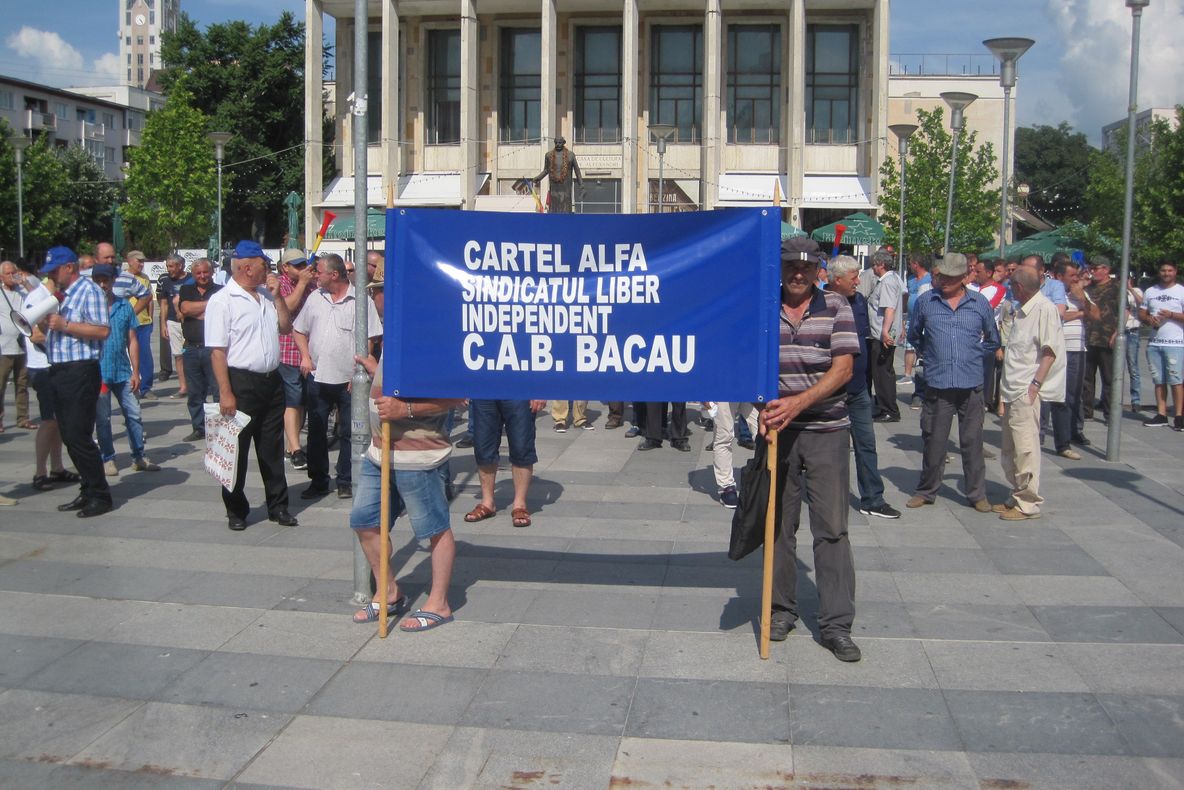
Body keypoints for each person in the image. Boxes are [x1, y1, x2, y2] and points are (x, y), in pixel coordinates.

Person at [763, 237, 860, 662]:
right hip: (777, 436)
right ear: (780, 268)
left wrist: (799, 402)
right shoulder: (763, 309)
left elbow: (844, 369)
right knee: (778, 528)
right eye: (789, 267)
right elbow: (747, 363)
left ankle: (836, 624)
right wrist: (761, 409)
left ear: (819, 269)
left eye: (805, 268)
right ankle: (781, 610)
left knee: (832, 529)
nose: (797, 274)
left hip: (826, 431)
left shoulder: (837, 307)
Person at [348, 296, 464, 629]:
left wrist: (405, 411)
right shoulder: (396, 333)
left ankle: (439, 602)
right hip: (380, 450)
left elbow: (457, 396)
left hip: (418, 454)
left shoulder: (432, 337)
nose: (376, 298)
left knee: (433, 527)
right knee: (364, 519)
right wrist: (376, 371)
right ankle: (388, 592)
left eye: (381, 291)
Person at [205, 241, 297, 530]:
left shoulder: (265, 296)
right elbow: (217, 351)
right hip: (240, 381)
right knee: (236, 449)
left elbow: (284, 327)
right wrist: (225, 391)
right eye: (263, 265)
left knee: (272, 447)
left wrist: (278, 296)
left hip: (271, 380)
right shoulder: (223, 301)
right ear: (246, 267)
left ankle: (278, 506)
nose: (267, 270)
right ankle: (236, 510)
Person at [905, 253, 1000, 512]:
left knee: (972, 442)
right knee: (934, 440)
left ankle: (977, 494)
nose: (943, 280)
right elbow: (915, 334)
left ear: (963, 278)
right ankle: (926, 490)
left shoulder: (979, 303)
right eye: (941, 275)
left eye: (949, 277)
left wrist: (974, 353)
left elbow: (993, 339)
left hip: (971, 383)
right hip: (938, 382)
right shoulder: (927, 301)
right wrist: (931, 353)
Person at [292, 253, 381, 499]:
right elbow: (298, 330)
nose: (315, 276)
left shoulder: (361, 300)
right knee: (317, 431)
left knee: (349, 432)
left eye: (319, 271)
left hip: (349, 380)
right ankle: (318, 480)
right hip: (318, 377)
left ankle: (345, 479)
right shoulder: (315, 298)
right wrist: (305, 358)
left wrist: (359, 372)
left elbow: (371, 338)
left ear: (333, 274)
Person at [39, 247, 113, 517]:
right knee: (69, 435)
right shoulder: (62, 295)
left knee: (79, 435)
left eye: (54, 270)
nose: (51, 276)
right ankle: (87, 489)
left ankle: (100, 494)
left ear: (69, 267)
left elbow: (103, 329)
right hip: (59, 369)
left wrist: (66, 325)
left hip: (80, 370)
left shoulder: (88, 290)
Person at [828, 255, 900, 519]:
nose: (859, 281)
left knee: (866, 444)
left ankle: (872, 499)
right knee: (828, 450)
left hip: (858, 389)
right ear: (837, 280)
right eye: (854, 277)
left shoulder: (859, 301)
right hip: (829, 392)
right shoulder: (819, 303)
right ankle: (825, 497)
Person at [996, 266, 1065, 521]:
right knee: (1010, 448)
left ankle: (1028, 503)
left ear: (1019, 287)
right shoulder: (1021, 310)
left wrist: (1035, 385)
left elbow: (1050, 351)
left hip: (1026, 390)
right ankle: (1016, 494)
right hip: (1012, 387)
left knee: (1026, 448)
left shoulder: (1043, 309)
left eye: (1012, 284)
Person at [91, 264, 160, 475]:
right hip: (99, 373)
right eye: (99, 280)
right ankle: (108, 458)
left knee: (134, 414)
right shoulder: (92, 307)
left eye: (106, 280)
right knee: (103, 419)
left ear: (113, 281)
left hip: (122, 371)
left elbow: (132, 340)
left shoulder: (124, 306)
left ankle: (139, 456)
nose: (103, 284)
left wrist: (135, 371)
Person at [20, 271, 79, 492]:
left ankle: (57, 467)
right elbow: (33, 334)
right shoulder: (38, 297)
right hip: (42, 367)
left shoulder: (54, 295)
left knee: (57, 420)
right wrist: (68, 339)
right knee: (48, 420)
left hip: (54, 365)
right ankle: (40, 472)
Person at [464, 398, 546, 528]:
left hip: (519, 389)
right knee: (483, 446)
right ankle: (487, 503)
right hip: (485, 389)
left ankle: (520, 505)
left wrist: (539, 392)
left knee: (521, 446)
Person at [276, 248, 318, 470]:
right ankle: (295, 448)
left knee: (303, 401)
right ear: (285, 267)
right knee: (292, 401)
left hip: (310, 352)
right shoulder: (278, 285)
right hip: (288, 352)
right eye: (297, 266)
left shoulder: (312, 283)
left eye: (304, 265)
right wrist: (302, 284)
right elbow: (287, 307)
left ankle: (293, 444)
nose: (303, 269)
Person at [177, 259, 223, 441]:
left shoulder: (220, 290)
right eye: (198, 273)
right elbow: (184, 308)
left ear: (211, 272)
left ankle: (221, 428)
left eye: (206, 272)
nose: (202, 276)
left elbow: (192, 310)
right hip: (191, 348)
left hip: (214, 349)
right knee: (195, 392)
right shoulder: (186, 290)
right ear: (193, 274)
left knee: (218, 390)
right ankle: (199, 427)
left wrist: (194, 310)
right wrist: (211, 306)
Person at [1139, 260, 1184, 430]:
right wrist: (1149, 319)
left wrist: (1171, 314)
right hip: (1155, 342)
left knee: (1176, 380)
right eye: (1163, 270)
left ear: (1175, 272)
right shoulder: (1150, 291)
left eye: (1170, 270)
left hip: (1176, 343)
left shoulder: (1181, 291)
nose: (1166, 273)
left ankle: (1179, 415)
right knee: (1158, 380)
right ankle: (1161, 413)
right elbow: (1142, 312)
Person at [866, 248, 903, 422]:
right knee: (882, 372)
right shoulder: (893, 279)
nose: (872, 268)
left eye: (874, 264)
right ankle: (884, 406)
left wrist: (885, 331)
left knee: (882, 374)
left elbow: (889, 308)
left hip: (883, 336)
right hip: (884, 333)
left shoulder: (887, 282)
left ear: (881, 265)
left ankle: (889, 409)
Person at [0, 260, 35, 431]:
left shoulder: (22, 292)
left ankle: (23, 418)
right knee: (0, 384)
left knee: (22, 384)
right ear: (1, 276)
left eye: (14, 272)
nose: (12, 276)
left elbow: (37, 299)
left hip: (22, 345)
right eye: (8, 273)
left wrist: (25, 282)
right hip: (3, 347)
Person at [1082, 256, 1118, 421]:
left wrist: (1118, 333)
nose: (1094, 271)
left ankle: (1110, 412)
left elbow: (1124, 312)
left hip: (1107, 337)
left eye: (1097, 268)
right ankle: (1086, 411)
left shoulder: (1116, 287)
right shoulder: (1088, 288)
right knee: (1087, 377)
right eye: (1092, 268)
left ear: (1107, 269)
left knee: (1109, 378)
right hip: (1089, 337)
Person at [705, 399, 758, 509]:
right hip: (724, 388)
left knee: (762, 430)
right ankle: (726, 486)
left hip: (750, 386)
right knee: (723, 436)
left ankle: (768, 475)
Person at [158, 254, 194, 398]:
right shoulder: (166, 281)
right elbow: (164, 304)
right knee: (178, 355)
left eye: (171, 266)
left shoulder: (191, 279)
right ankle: (183, 387)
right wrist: (163, 324)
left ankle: (195, 385)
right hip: (173, 322)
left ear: (180, 266)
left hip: (190, 321)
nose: (169, 269)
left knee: (192, 355)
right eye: (167, 266)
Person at [121, 250, 156, 398]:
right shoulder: (121, 278)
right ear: (129, 261)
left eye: (143, 262)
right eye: (139, 261)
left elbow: (149, 299)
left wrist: (150, 317)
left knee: (145, 355)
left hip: (143, 322)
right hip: (126, 323)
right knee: (126, 356)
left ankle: (146, 387)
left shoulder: (145, 278)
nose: (141, 264)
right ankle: (128, 385)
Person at [533, 136, 582, 214]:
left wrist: (581, 185)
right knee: (554, 209)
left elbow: (577, 170)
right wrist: (538, 178)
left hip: (566, 188)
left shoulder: (570, 155)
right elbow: (546, 170)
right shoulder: (548, 155)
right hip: (554, 188)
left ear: (564, 143)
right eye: (556, 143)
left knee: (565, 209)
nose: (558, 144)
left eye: (560, 142)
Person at [1124, 273, 1144, 412]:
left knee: (1133, 367)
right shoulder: (1116, 291)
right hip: (1119, 332)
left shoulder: (1136, 291)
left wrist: (1129, 288)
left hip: (1132, 331)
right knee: (1114, 369)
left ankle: (1135, 399)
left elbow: (1142, 303)